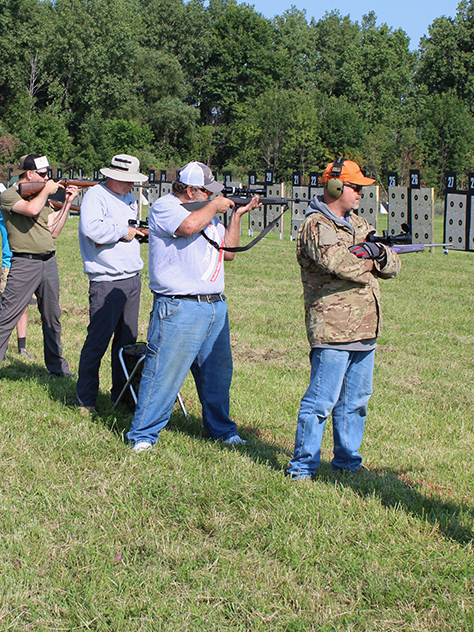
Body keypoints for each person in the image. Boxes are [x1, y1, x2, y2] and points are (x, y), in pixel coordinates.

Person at [124, 162, 259, 451]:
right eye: (207, 191)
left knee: (217, 376)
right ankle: (143, 435)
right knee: (162, 375)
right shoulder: (166, 207)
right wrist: (214, 206)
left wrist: (236, 215)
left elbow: (229, 253)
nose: (212, 196)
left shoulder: (206, 212)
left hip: (213, 305)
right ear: (190, 190)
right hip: (179, 306)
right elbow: (187, 227)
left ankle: (222, 430)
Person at [286, 160, 401, 480]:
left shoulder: (360, 223)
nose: (361, 193)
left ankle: (347, 463)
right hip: (333, 329)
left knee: (357, 401)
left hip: (365, 325)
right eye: (355, 187)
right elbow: (339, 264)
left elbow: (393, 265)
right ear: (335, 187)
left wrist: (376, 255)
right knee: (321, 401)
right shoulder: (315, 225)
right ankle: (302, 466)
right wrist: (371, 258)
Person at [0, 155, 78, 379]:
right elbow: (31, 210)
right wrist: (47, 190)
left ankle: (56, 366)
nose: (47, 178)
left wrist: (68, 203)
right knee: (7, 316)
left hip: (48, 261)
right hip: (24, 263)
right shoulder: (9, 195)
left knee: (52, 317)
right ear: (29, 174)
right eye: (42, 174)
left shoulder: (39, 197)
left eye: (48, 174)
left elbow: (55, 230)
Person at [74, 154, 149, 414]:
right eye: (128, 180)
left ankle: (123, 398)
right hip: (106, 279)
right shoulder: (96, 195)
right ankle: (86, 400)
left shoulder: (128, 198)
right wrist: (123, 231)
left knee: (127, 342)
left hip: (131, 278)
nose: (132, 186)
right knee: (98, 340)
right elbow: (91, 229)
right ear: (113, 176)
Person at [0, 193, 32, 358]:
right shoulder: (8, 209)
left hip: (28, 263)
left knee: (23, 309)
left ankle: (22, 347)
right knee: (9, 309)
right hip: (11, 263)